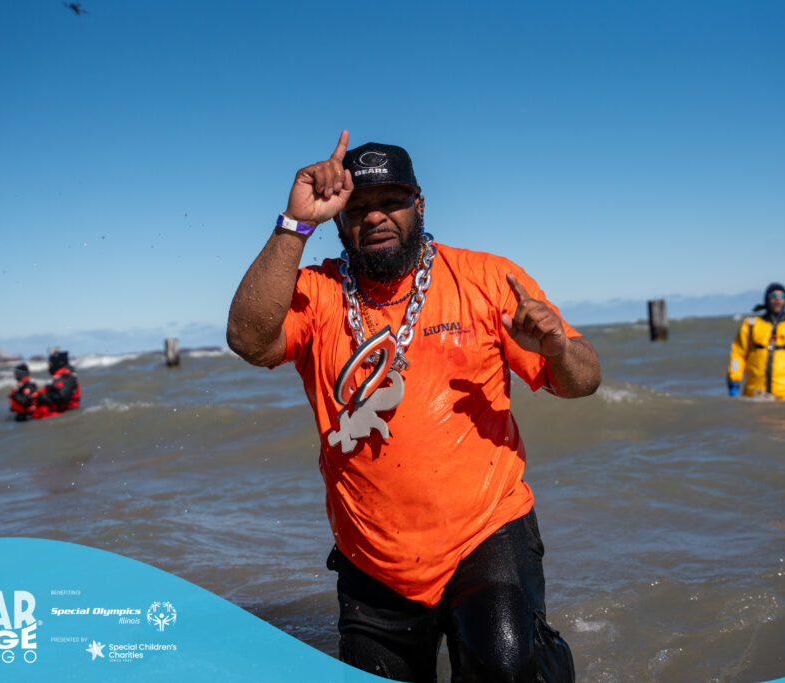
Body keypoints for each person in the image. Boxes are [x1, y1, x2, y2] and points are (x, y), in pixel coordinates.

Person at [227, 131, 600, 682]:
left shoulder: (486, 279)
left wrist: (557, 348)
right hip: (372, 554)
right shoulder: (317, 292)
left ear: (419, 204)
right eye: (358, 206)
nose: (376, 216)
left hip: (487, 531)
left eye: (392, 201)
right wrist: (294, 223)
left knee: (504, 664)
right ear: (338, 219)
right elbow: (248, 339)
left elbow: (583, 381)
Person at [34, 350, 81, 418]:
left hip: (59, 416)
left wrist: (40, 397)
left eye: (51, 364)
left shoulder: (67, 378)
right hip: (47, 415)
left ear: (57, 364)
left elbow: (62, 397)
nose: (49, 367)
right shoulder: (59, 378)